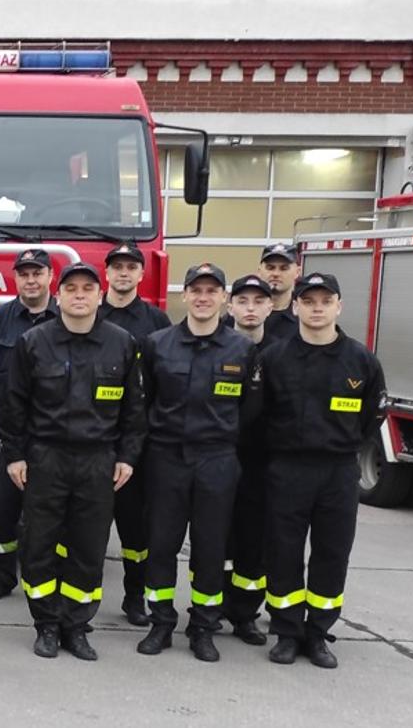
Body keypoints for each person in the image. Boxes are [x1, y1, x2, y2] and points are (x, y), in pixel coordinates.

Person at [0, 261, 146, 661]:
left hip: (98, 461)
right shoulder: (33, 342)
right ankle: (46, 624)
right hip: (47, 458)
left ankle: (76, 626)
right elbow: (13, 405)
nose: (79, 295)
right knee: (38, 544)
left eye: (87, 289)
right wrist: (14, 456)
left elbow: (135, 409)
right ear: (57, 294)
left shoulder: (122, 343)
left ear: (100, 295)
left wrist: (128, 457)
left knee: (89, 548)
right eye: (72, 288)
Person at [257, 272, 386, 669]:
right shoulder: (273, 358)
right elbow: (257, 416)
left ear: (338, 306)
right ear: (294, 306)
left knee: (332, 553)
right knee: (283, 552)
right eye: (308, 301)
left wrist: (341, 447)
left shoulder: (360, 360)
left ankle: (318, 634)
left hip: (337, 472)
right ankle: (286, 631)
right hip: (287, 469)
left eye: (324, 301)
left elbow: (372, 416)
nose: (316, 309)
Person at [135, 264, 259, 661]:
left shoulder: (242, 350)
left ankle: (204, 627)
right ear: (184, 296)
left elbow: (251, 410)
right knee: (161, 545)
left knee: (210, 547)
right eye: (196, 290)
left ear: (223, 298)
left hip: (217, 460)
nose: (203, 298)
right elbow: (145, 401)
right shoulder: (157, 344)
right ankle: (161, 622)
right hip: (167, 458)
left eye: (212, 291)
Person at [0, 248, 56, 600]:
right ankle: (2, 576)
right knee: (1, 507)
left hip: (53, 427)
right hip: (7, 425)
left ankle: (42, 580)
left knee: (48, 507)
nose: (31, 279)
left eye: (37, 273)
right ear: (16, 278)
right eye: (24, 274)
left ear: (50, 276)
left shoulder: (63, 318)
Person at [99, 241, 172, 627]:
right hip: (93, 437)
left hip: (137, 439)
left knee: (136, 529)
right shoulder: (92, 314)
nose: (124, 273)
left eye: (131, 266)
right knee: (86, 526)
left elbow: (165, 380)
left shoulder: (157, 322)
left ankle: (133, 596)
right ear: (106, 273)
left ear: (142, 274)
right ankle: (80, 601)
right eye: (117, 267)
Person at [221, 274, 276, 646]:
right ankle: (209, 610)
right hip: (219, 459)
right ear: (231, 306)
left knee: (254, 545)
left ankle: (244, 615)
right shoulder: (215, 347)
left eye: (259, 301)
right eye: (243, 301)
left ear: (271, 307)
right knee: (215, 542)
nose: (250, 308)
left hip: (264, 465)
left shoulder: (281, 353)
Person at [258, 243, 301, 342]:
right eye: (270, 268)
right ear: (259, 271)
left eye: (284, 268)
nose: (276, 274)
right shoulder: (241, 313)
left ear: (297, 272)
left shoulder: (304, 314)